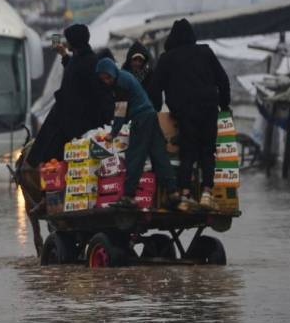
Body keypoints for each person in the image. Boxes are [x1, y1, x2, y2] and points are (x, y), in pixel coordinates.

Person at [153, 19, 231, 209]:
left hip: (184, 111)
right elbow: (223, 80)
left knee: (188, 152)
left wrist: (156, 110)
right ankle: (206, 193)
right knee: (207, 150)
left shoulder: (166, 58)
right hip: (208, 108)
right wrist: (224, 105)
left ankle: (185, 194)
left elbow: (155, 89)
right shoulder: (205, 51)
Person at [96, 58, 185, 209]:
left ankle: (128, 196)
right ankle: (172, 192)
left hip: (141, 119)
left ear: (112, 73)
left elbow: (120, 112)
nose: (106, 81)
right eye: (103, 78)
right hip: (150, 115)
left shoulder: (120, 84)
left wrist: (113, 133)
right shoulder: (124, 76)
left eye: (108, 77)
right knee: (158, 154)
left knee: (134, 156)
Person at [27, 24, 114, 167]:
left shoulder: (90, 62)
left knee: (53, 154)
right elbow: (74, 68)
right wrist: (63, 55)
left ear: (74, 41)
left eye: (68, 40)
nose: (65, 42)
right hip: (68, 118)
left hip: (78, 123)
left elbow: (93, 90)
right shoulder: (81, 58)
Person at [122, 42, 161, 110]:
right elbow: (120, 100)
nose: (137, 63)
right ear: (129, 60)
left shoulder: (150, 76)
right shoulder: (123, 77)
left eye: (140, 60)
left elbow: (157, 98)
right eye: (134, 59)